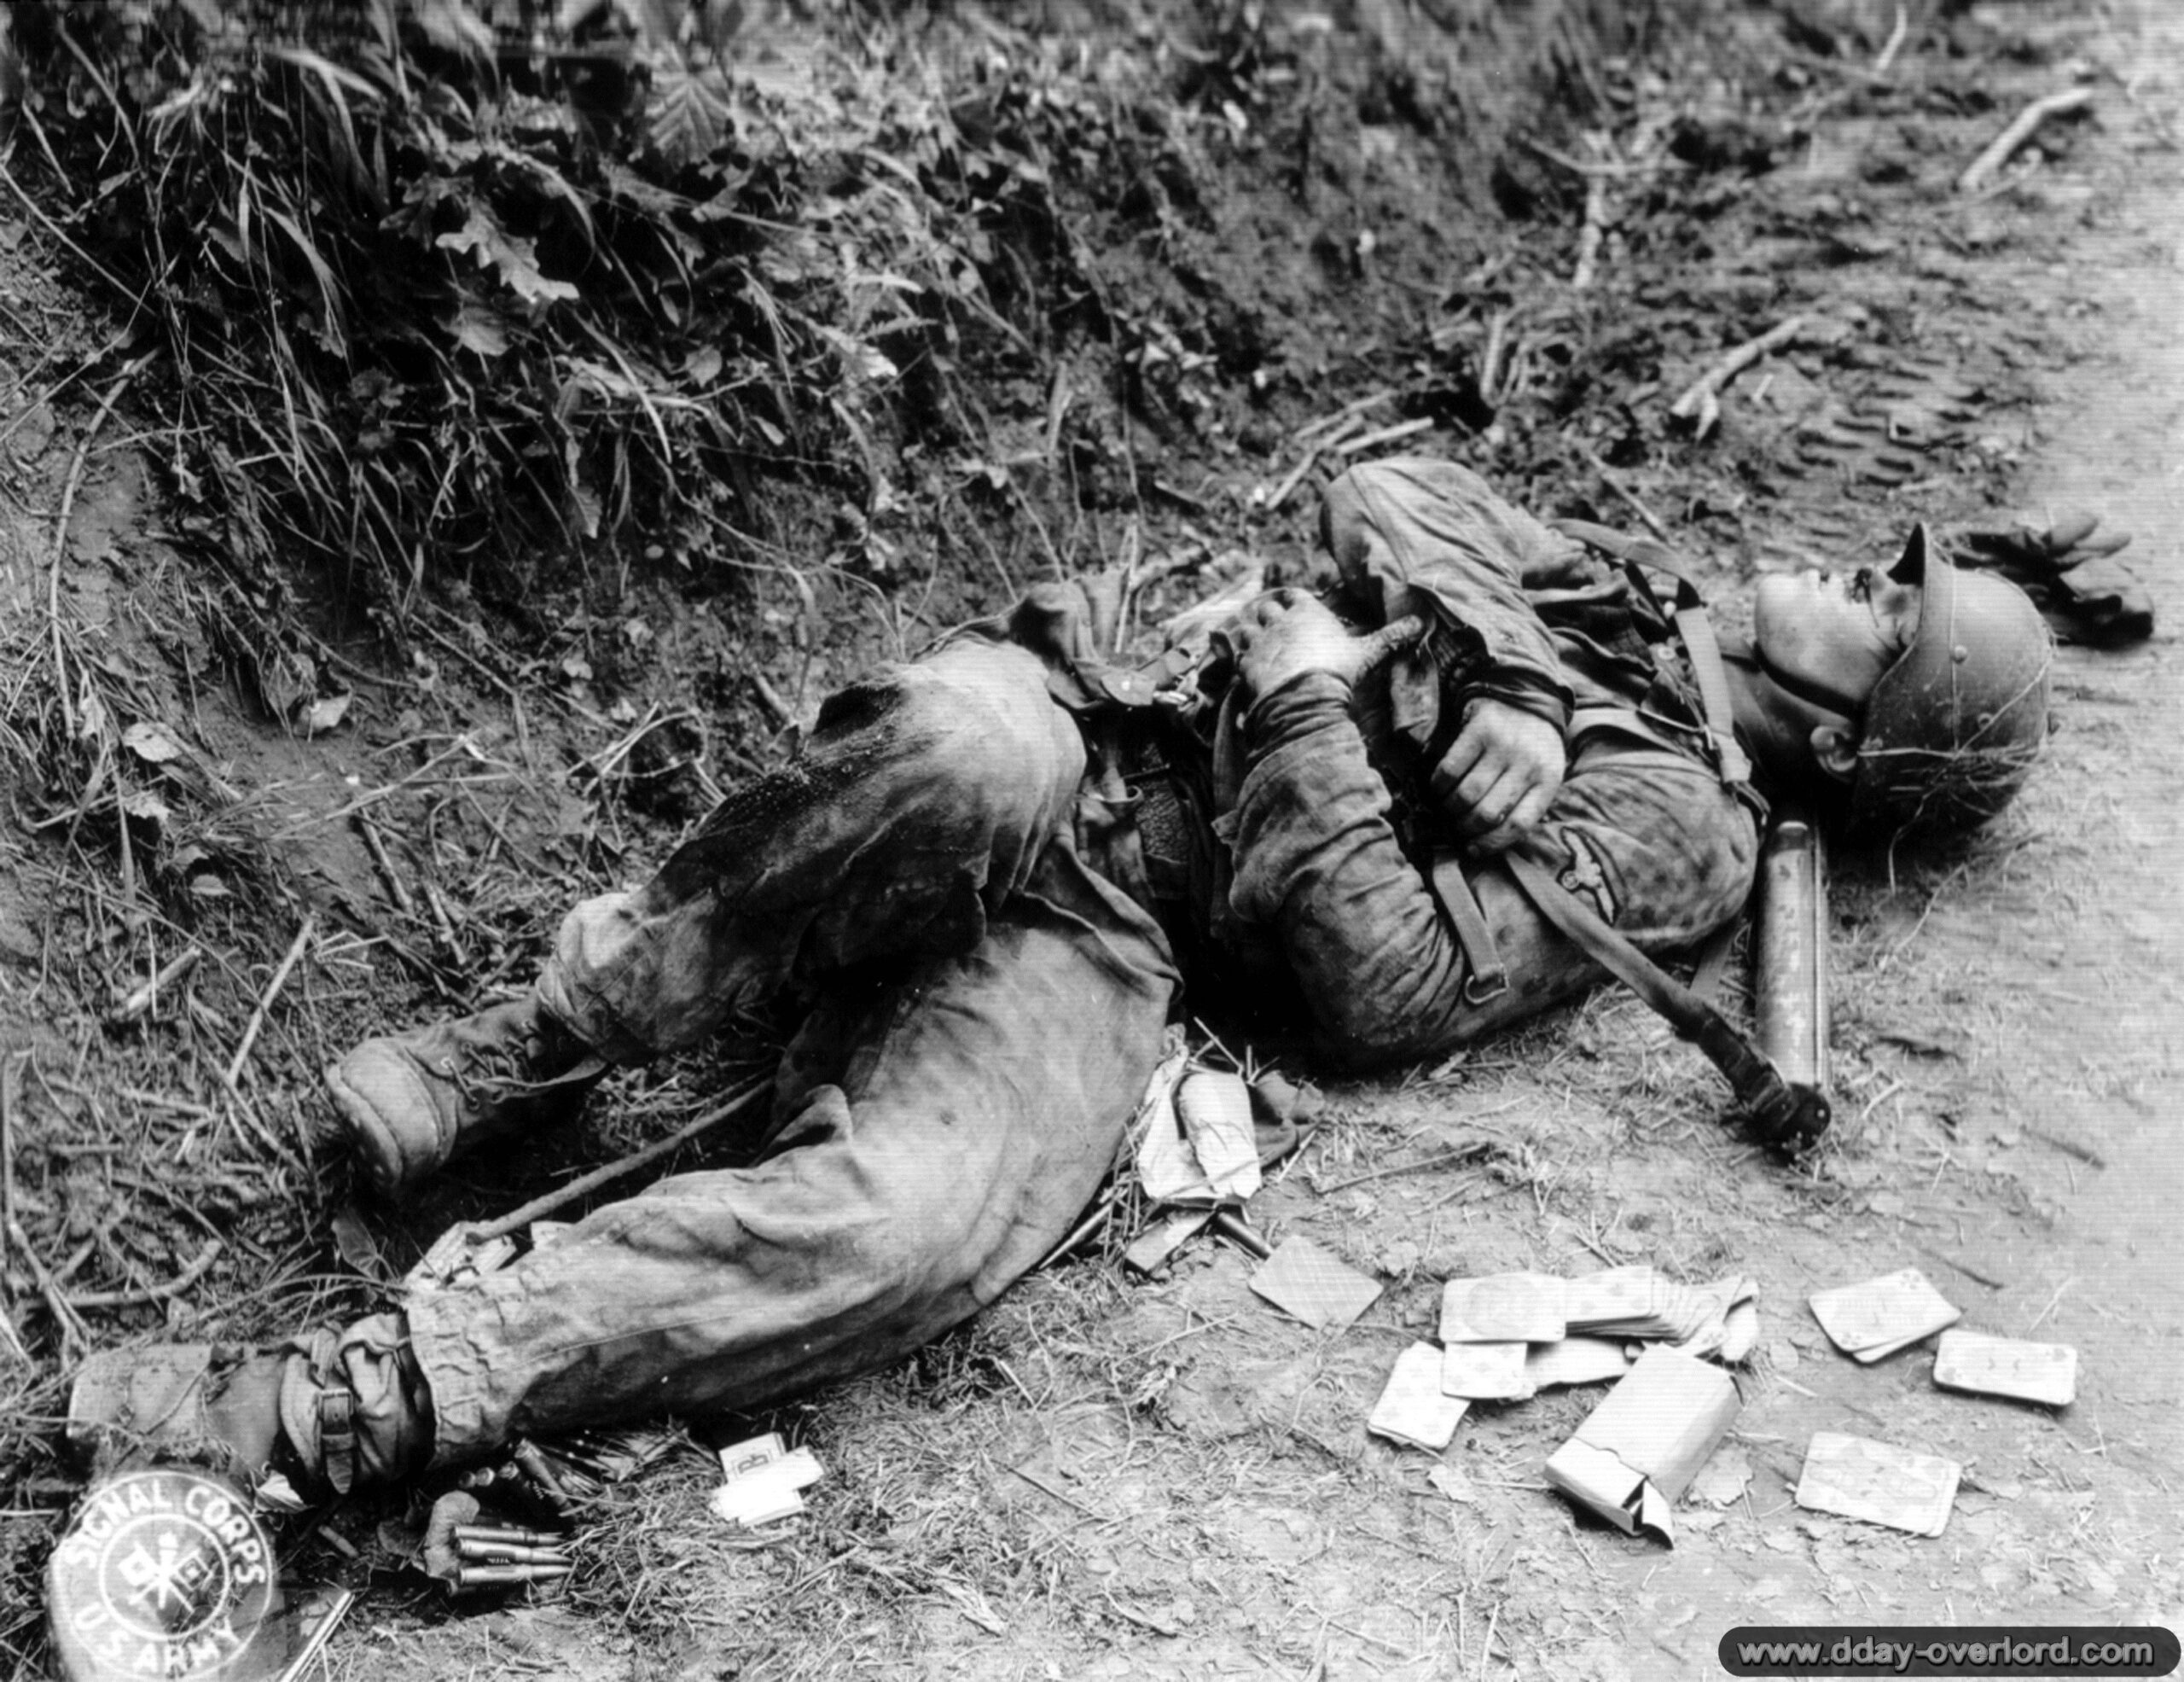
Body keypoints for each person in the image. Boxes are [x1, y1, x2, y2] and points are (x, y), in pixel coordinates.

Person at [67, 458, 2059, 1501]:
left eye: (1878, 610)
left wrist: (1299, 704)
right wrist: (1515, 669)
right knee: (963, 751)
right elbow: (1382, 484)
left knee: (911, 1227)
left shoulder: (1684, 833)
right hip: (1080, 725)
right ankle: (549, 1033)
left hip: (1119, 938)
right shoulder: (1618, 589)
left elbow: (1373, 979)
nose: (1839, 571)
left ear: (1835, 729)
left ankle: (335, 1404)